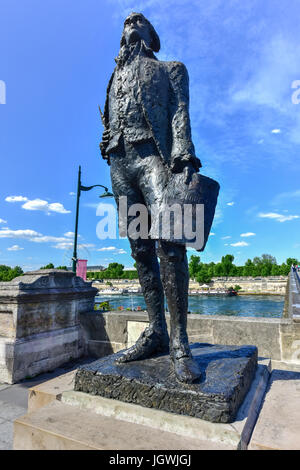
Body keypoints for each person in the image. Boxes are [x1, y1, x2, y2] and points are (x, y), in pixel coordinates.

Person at [100, 12, 203, 383]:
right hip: (120, 162)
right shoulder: (114, 76)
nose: (130, 22)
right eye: (126, 22)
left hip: (154, 157)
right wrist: (107, 140)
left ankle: (180, 343)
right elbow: (110, 117)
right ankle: (156, 330)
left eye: (138, 20)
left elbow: (179, 113)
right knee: (140, 248)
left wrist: (185, 154)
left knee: (170, 243)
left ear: (151, 35)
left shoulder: (171, 69)